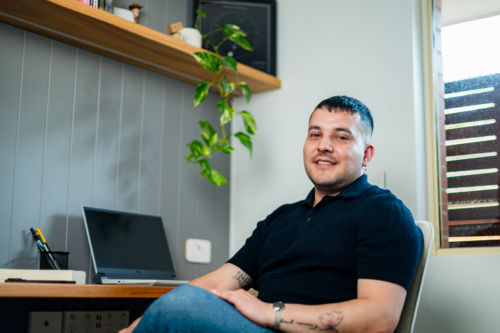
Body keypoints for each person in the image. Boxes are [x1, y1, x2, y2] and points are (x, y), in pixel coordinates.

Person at [120, 96, 423, 333]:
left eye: (342, 137)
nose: (324, 146)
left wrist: (269, 312)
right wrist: (140, 325)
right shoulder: (281, 218)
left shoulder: (384, 212)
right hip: (253, 327)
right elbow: (216, 282)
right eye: (315, 134)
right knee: (184, 300)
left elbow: (379, 319)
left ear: (367, 155)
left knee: (183, 307)